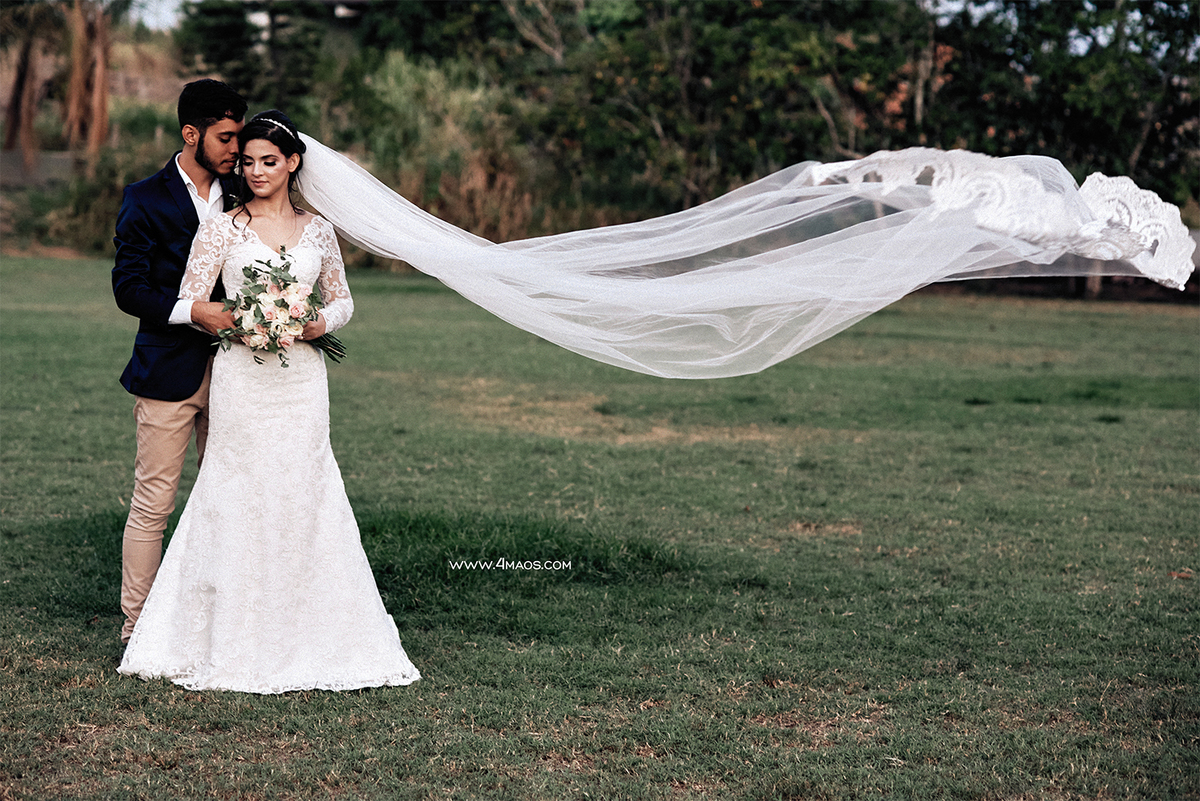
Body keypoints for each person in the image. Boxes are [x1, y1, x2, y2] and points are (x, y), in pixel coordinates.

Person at [118, 110, 420, 693]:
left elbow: (344, 303)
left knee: (304, 491)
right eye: (248, 160)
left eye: (268, 161)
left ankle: (312, 628)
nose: (255, 171)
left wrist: (314, 323)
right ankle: (221, 629)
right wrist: (245, 322)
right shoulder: (222, 229)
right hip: (241, 377)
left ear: (293, 164)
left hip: (302, 381)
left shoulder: (319, 230)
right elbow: (193, 299)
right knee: (237, 492)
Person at [112, 79, 247, 644]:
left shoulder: (248, 193)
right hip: (169, 370)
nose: (236, 149)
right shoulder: (145, 197)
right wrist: (196, 310)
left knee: (233, 497)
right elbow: (128, 290)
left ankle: (226, 618)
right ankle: (137, 625)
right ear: (191, 134)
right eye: (225, 137)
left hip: (243, 373)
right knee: (155, 501)